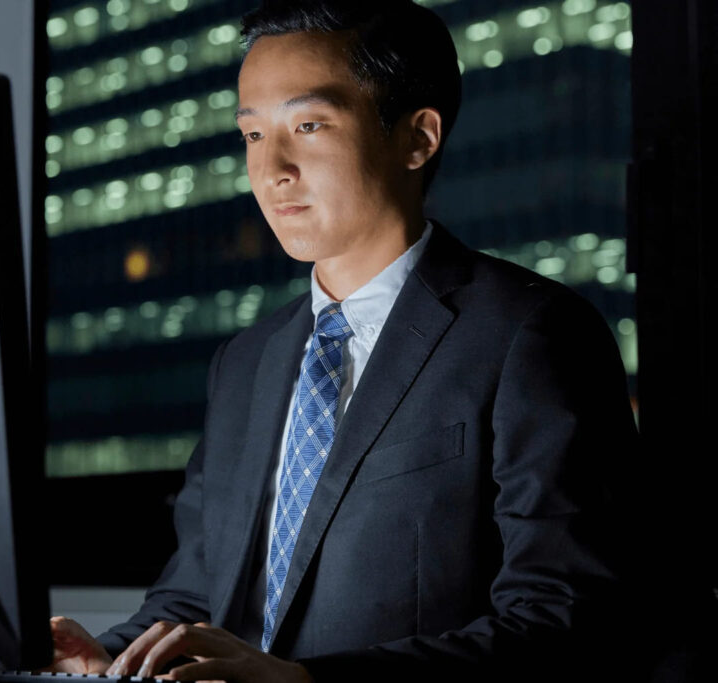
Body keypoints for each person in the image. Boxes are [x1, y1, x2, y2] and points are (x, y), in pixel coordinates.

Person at [45, 1, 643, 680]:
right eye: (251, 135)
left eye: (308, 125)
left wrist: (308, 682)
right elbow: (194, 595)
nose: (271, 169)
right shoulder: (246, 361)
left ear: (418, 138)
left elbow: (566, 620)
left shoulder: (530, 334)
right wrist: (107, 656)